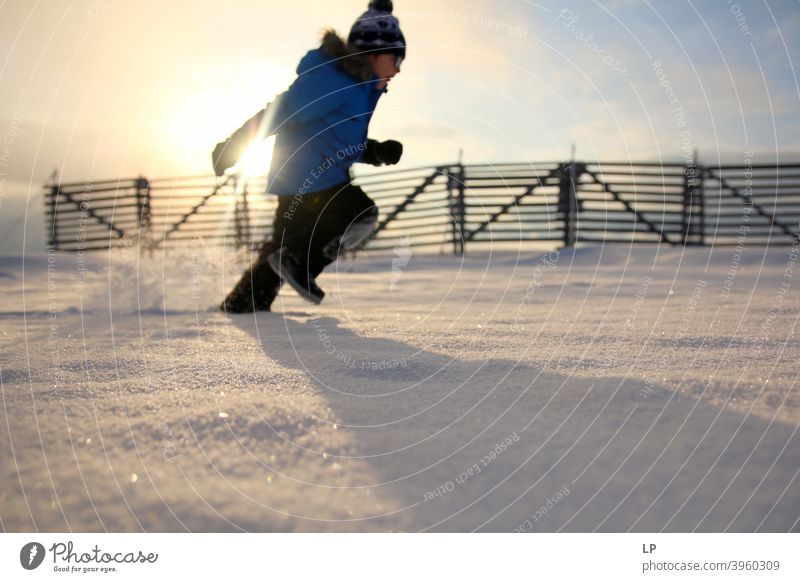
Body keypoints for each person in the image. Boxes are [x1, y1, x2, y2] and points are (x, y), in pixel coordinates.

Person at [215, 0, 406, 313]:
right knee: (359, 213)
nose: (398, 68)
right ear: (373, 54)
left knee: (279, 255)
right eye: (395, 58)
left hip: (305, 178)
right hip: (310, 178)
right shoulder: (335, 81)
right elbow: (282, 112)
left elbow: (335, 137)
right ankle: (298, 263)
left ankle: (241, 306)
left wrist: (375, 151)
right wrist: (233, 147)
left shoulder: (360, 89)